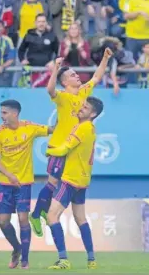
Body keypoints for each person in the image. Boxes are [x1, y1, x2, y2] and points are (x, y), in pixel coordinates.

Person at [30, 48, 113, 237]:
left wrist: (105, 58)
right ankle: (35, 214)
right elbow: (49, 90)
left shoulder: (83, 92)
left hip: (71, 148)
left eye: (76, 73)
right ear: (65, 82)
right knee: (52, 183)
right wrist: (56, 68)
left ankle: (41, 212)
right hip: (58, 146)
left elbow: (97, 77)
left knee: (59, 184)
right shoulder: (63, 97)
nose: (77, 76)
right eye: (73, 75)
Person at [0, 100, 53, 269]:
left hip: (24, 183)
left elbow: (52, 130)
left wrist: (65, 118)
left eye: (4, 112)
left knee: (23, 218)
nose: (1, 116)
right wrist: (9, 175)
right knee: (3, 221)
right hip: (5, 183)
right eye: (1, 112)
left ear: (15, 113)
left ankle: (25, 259)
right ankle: (17, 248)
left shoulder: (29, 127)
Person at [46, 96, 104, 270]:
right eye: (82, 105)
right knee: (80, 218)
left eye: (85, 108)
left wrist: (49, 150)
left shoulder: (83, 128)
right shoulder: (89, 128)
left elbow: (64, 149)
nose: (81, 108)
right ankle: (91, 259)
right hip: (82, 180)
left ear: (92, 114)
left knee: (51, 216)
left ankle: (63, 259)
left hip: (71, 179)